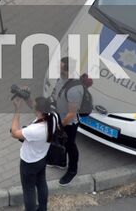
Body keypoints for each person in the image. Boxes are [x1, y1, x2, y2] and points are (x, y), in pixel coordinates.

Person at [11, 95, 58, 211]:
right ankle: (43, 208)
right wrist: (27, 97)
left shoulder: (35, 130)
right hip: (42, 158)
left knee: (29, 190)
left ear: (39, 112)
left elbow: (14, 132)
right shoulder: (53, 117)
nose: (32, 107)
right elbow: (35, 107)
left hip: (29, 163)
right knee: (41, 183)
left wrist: (17, 110)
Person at [49, 57, 85, 185]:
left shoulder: (74, 90)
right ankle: (61, 162)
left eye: (60, 68)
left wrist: (60, 125)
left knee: (70, 145)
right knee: (58, 140)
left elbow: (71, 114)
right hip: (59, 116)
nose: (57, 69)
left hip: (68, 122)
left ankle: (72, 170)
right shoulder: (62, 78)